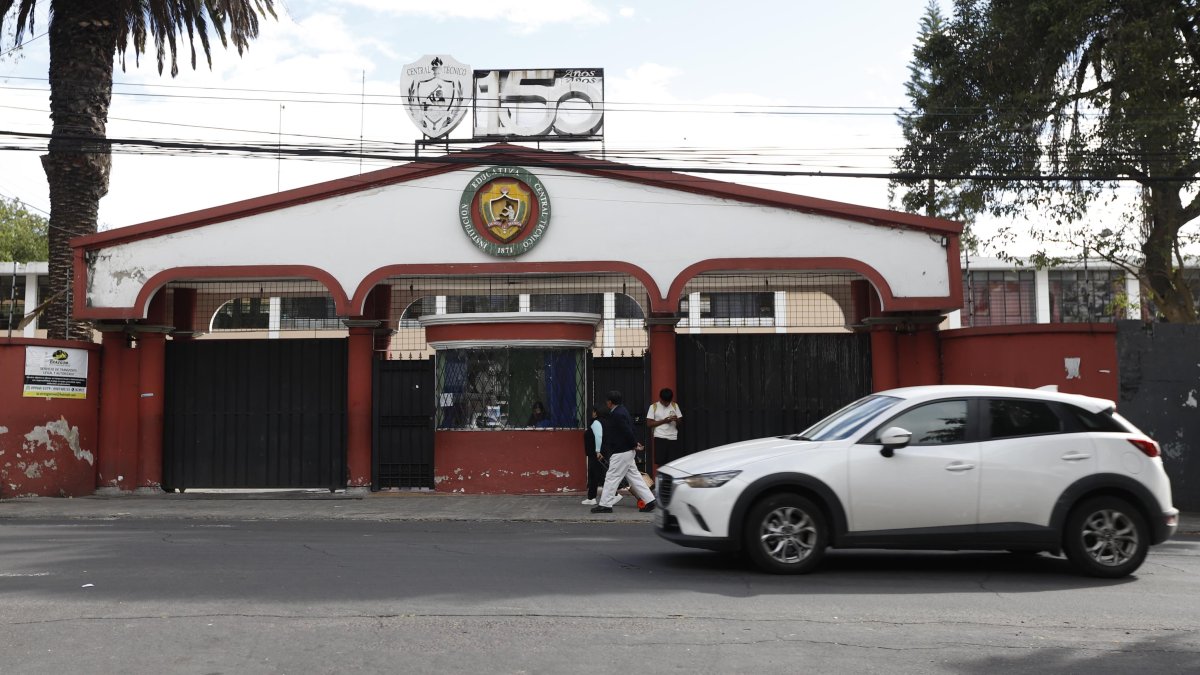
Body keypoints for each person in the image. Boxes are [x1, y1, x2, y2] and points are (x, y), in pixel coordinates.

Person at [592, 390, 657, 514]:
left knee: (611, 477)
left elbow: (626, 431)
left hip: (621, 451)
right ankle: (650, 501)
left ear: (610, 402)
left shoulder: (616, 414)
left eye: (607, 401)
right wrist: (635, 443)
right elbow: (630, 429)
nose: (606, 403)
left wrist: (633, 444)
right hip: (627, 451)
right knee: (635, 478)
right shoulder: (623, 411)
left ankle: (605, 505)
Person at [646, 387, 682, 468]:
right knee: (661, 464)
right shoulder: (653, 407)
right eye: (664, 402)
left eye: (668, 402)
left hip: (673, 438)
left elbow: (680, 423)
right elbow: (649, 424)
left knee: (673, 464)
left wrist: (676, 419)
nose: (666, 404)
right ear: (660, 398)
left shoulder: (675, 405)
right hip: (660, 437)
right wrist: (664, 421)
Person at [580, 406, 607, 506]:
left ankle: (592, 498)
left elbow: (598, 436)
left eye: (593, 411)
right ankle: (613, 495)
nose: (592, 413)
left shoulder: (596, 422)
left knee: (594, 475)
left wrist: (597, 451)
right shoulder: (605, 422)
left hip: (595, 453)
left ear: (596, 413)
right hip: (601, 452)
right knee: (601, 474)